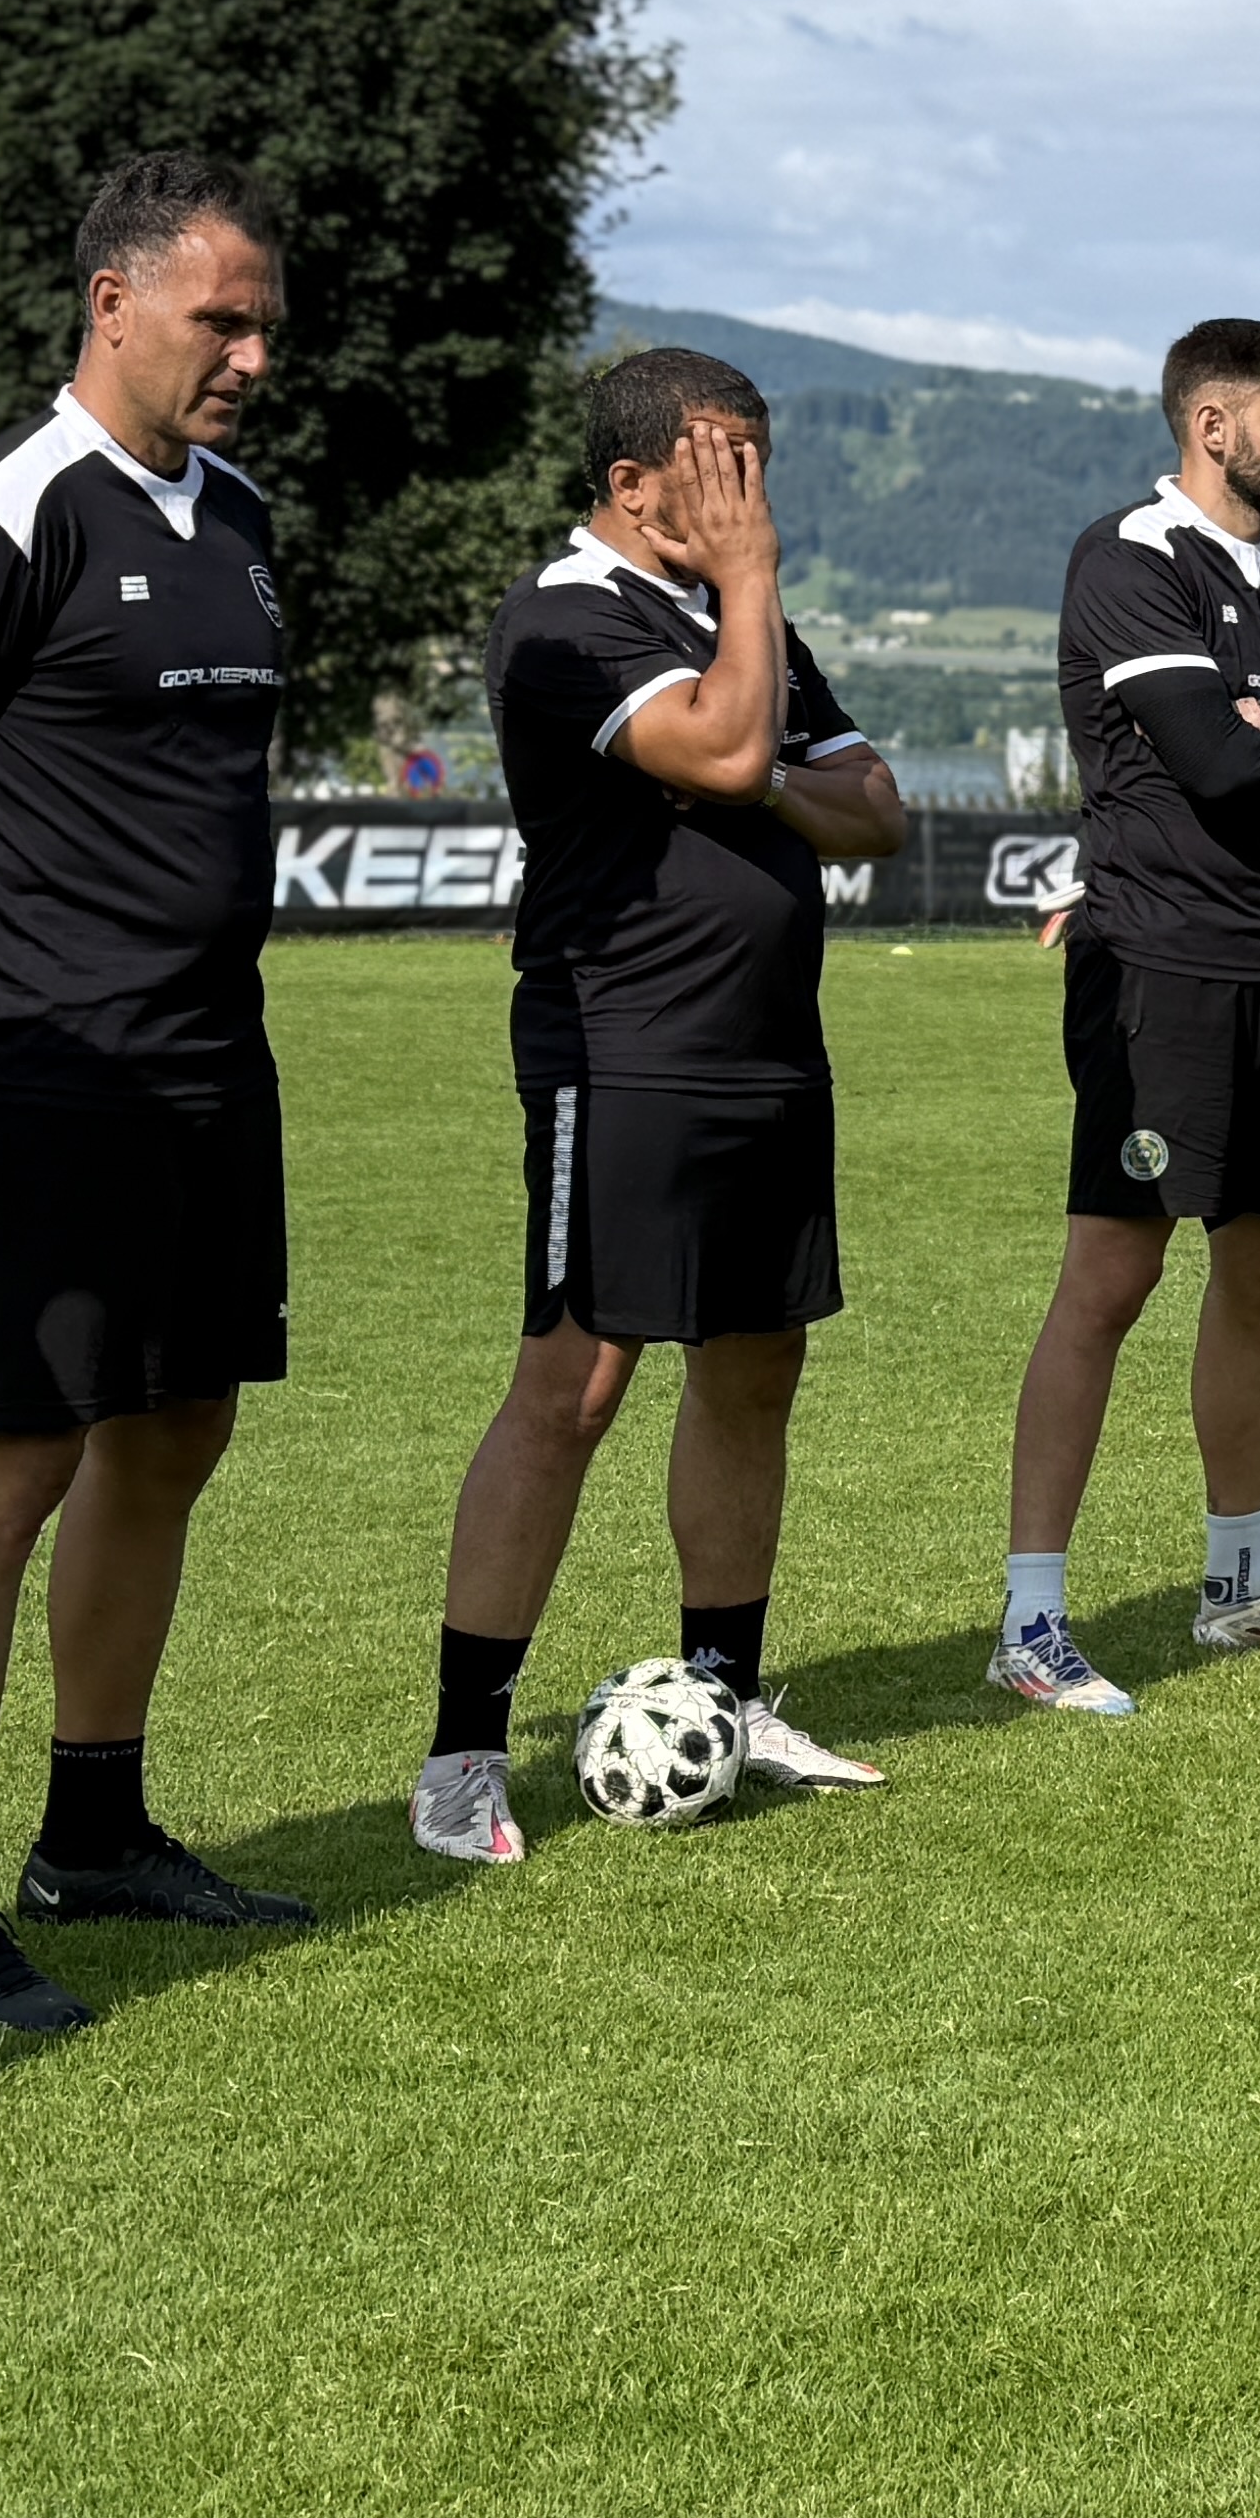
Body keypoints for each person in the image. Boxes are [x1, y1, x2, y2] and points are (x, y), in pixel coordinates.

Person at [0, 155, 315, 2033]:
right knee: (9, 1456)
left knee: (175, 1427)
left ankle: (91, 1828)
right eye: (220, 318)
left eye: (266, 322)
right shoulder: (0, 523)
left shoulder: (241, 516)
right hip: (36, 1063)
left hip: (206, 1057)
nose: (252, 354)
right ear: (112, 302)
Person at [416, 351, 908, 1855]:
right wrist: (749, 726)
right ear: (633, 487)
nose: (747, 497)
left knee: (755, 1372)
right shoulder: (562, 617)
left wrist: (745, 758)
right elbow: (739, 744)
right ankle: (462, 1755)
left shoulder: (738, 618)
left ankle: (728, 1694)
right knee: (573, 1391)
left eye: (758, 463)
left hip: (770, 1060)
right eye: (720, 467)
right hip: (618, 1054)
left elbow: (874, 809)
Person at [992, 318, 1260, 1714]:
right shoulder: (1125, 558)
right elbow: (1212, 771)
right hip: (1154, 968)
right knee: (1111, 1283)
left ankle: (1241, 1589)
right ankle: (1030, 1621)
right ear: (1214, 427)